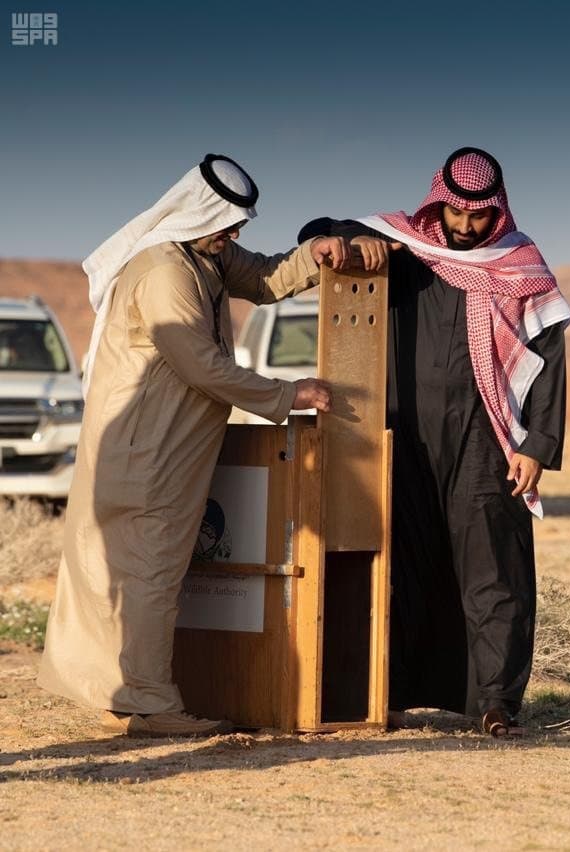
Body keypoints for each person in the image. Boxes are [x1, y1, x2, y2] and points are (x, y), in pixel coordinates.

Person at [38, 154, 364, 737]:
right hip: (147, 452)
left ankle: (137, 692)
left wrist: (313, 258)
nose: (236, 235)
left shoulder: (205, 254)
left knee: (149, 573)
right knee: (149, 574)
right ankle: (152, 705)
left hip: (171, 448)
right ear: (198, 214)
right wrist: (288, 393)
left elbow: (264, 278)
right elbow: (200, 364)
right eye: (229, 224)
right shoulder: (165, 270)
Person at [299, 146, 570, 736]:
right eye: (457, 215)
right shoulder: (404, 250)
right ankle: (387, 692)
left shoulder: (518, 264)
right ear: (437, 204)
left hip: (484, 438)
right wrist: (347, 239)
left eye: (478, 217)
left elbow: (548, 355)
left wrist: (538, 445)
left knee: (492, 567)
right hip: (402, 436)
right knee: (400, 563)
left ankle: (496, 702)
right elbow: (318, 233)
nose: (467, 227)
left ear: (494, 212)